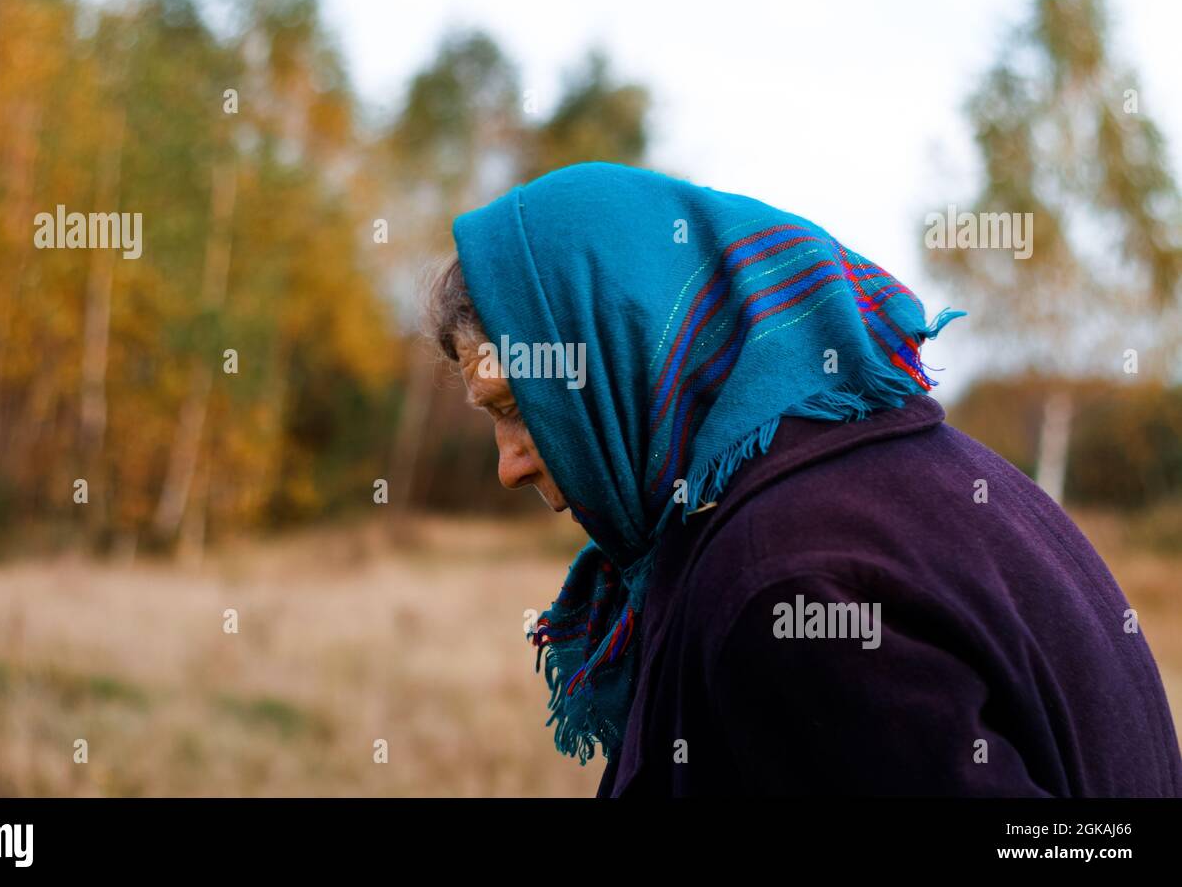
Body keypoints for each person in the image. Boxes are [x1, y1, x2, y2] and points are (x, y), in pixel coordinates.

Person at [426, 160, 1182, 797]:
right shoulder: (922, 474)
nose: (508, 464)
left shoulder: (779, 584)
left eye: (518, 408)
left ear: (619, 354)